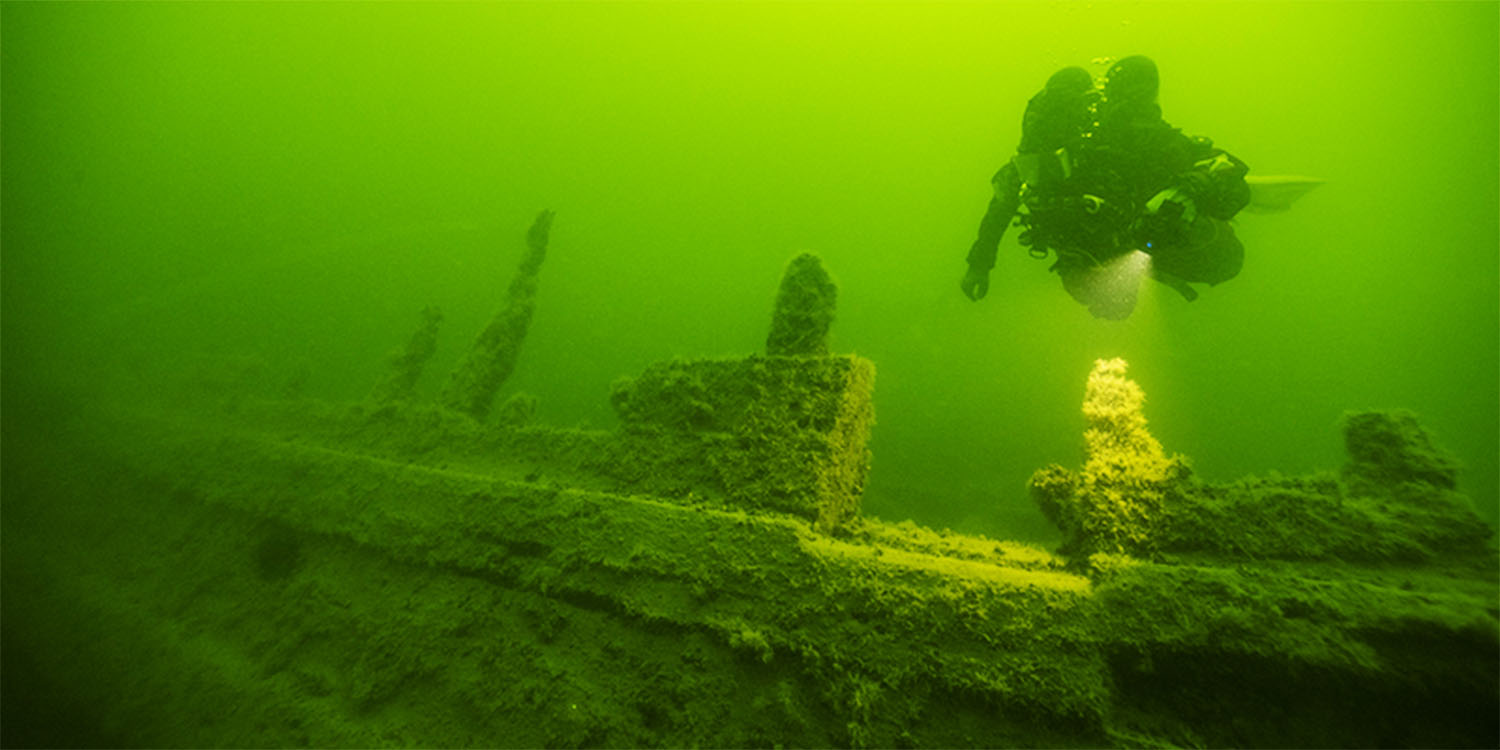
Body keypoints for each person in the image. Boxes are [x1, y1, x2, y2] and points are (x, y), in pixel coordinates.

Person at [961, 56, 1251, 319]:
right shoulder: (1039, 154)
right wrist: (979, 262)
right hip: (1097, 251)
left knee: (1225, 262)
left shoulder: (1128, 142)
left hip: (1135, 240)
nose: (1039, 173)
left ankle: (1187, 231)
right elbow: (1003, 201)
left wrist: (1188, 191)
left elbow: (1229, 167)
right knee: (1114, 307)